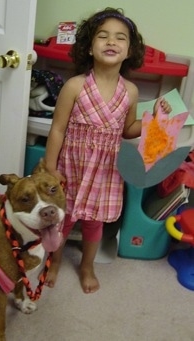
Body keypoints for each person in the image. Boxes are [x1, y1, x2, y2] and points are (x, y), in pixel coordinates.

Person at [44, 7, 172, 294]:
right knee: (63, 220)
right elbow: (57, 129)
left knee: (94, 223)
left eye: (119, 38)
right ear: (90, 47)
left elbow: (128, 130)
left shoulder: (131, 91)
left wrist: (154, 118)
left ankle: (87, 266)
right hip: (72, 167)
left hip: (105, 170)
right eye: (103, 36)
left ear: (129, 51)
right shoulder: (75, 86)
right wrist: (51, 168)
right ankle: (54, 262)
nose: (111, 42)